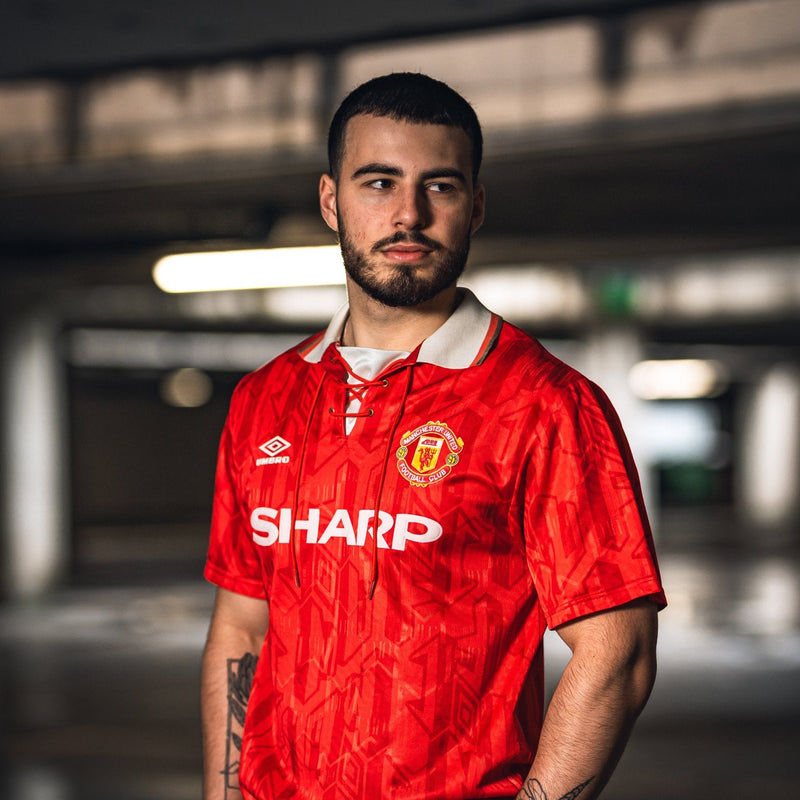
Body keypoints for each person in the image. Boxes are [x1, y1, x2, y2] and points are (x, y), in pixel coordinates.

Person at [201, 72, 666, 800]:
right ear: (331, 201)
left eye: (441, 187)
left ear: (475, 207)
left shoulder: (545, 404)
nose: (409, 214)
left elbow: (618, 654)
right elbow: (242, 624)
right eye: (379, 183)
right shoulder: (265, 400)